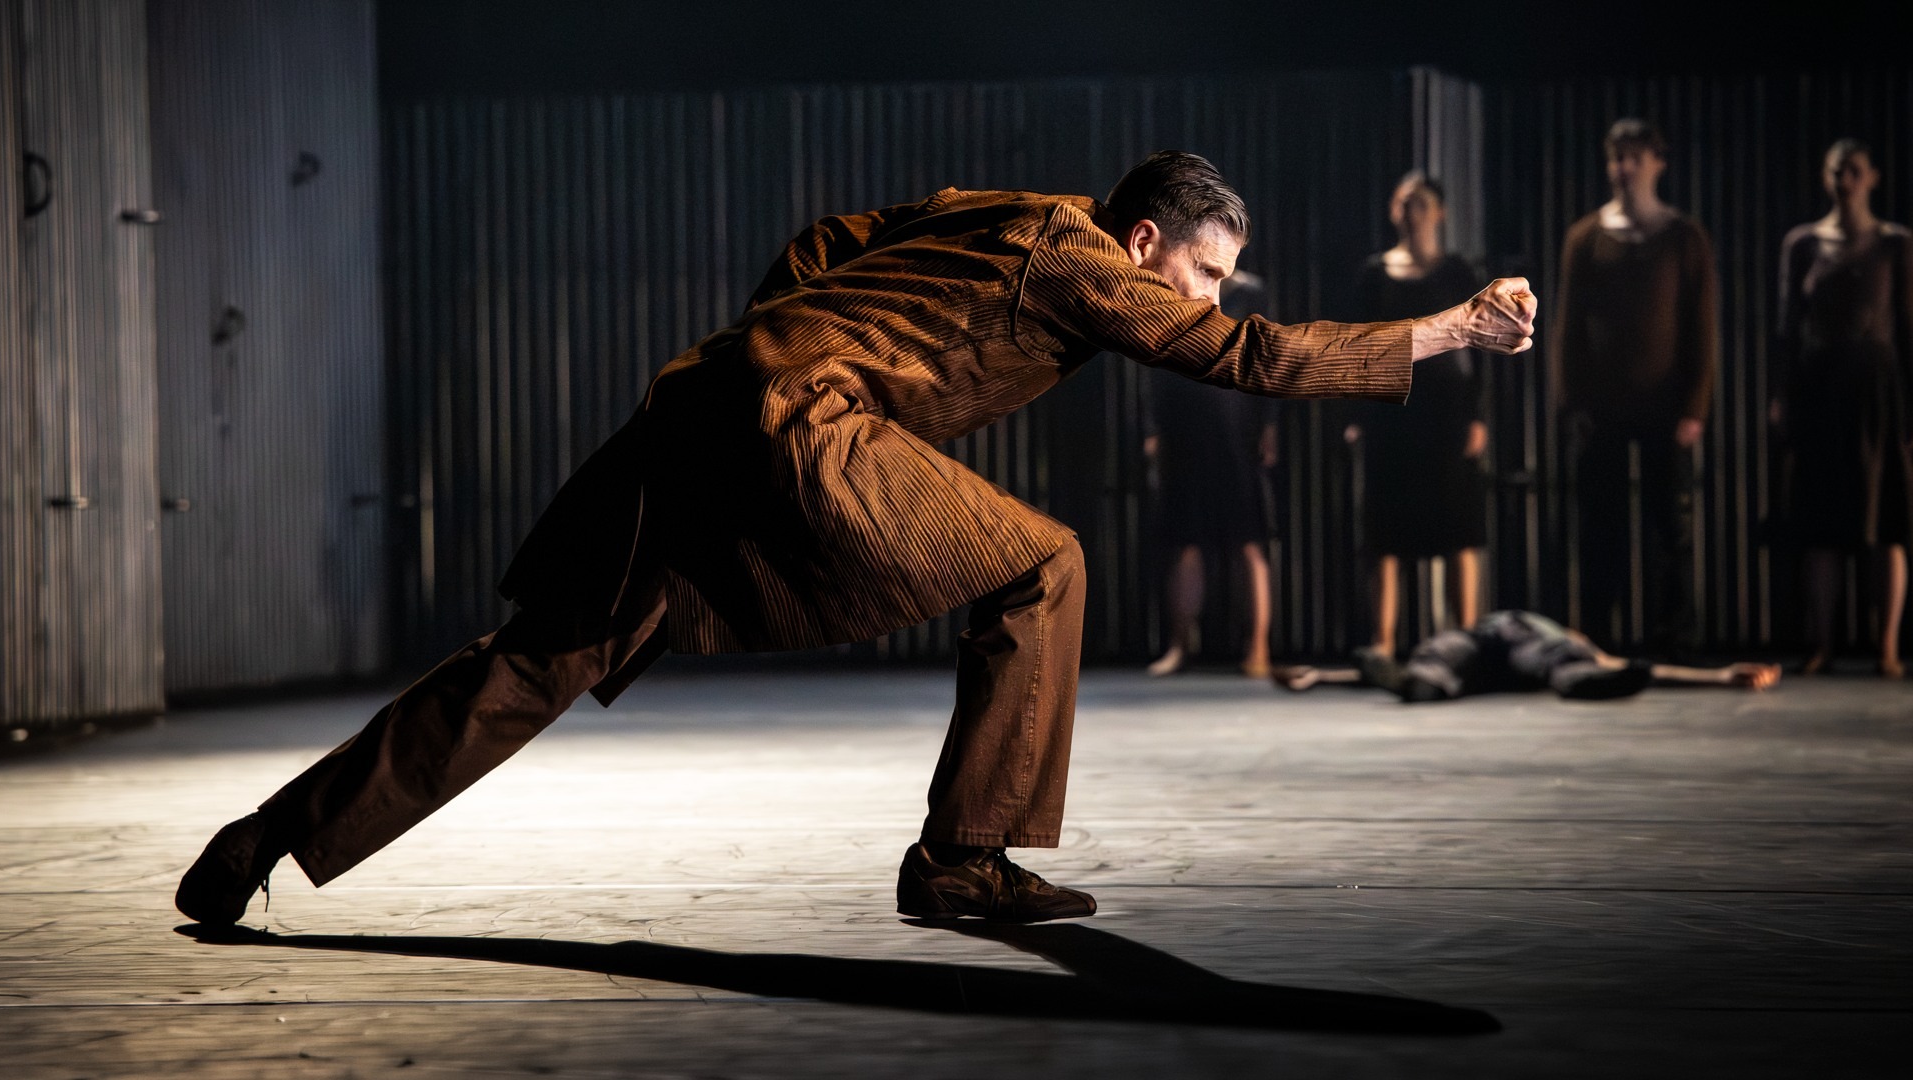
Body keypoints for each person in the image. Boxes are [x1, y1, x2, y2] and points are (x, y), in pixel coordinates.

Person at [176, 151, 1537, 928]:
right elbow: (1249, 354)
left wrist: (780, 335)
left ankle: (263, 840)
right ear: (1144, 242)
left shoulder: (1003, 210)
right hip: (790, 415)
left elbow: (833, 231)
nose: (1203, 298)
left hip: (703, 402)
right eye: (1199, 269)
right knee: (1044, 563)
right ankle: (959, 859)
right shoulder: (1090, 266)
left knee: (535, 662)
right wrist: (1448, 330)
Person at [1554, 119, 1718, 654]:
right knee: (1600, 525)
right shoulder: (1585, 237)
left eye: (1634, 157)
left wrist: (1694, 405)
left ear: (1657, 163)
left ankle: (1673, 636)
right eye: (1615, 157)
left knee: (1671, 524)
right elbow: (1567, 326)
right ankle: (1600, 635)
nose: (1623, 168)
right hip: (1602, 404)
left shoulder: (1683, 236)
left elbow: (1701, 326)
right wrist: (1571, 401)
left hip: (1665, 403)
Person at [1773, 139, 1913, 678]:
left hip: (1878, 390)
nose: (1844, 180)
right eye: (1836, 171)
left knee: (1886, 521)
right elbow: (1787, 328)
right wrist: (1782, 396)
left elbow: (1907, 326)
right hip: (1820, 388)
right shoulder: (1804, 243)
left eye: (1853, 171)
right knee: (1820, 523)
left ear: (1872, 176)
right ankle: (1822, 645)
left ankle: (1888, 648)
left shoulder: (1894, 243)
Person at [1345, 172, 1489, 658]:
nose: (1413, 212)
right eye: (1404, 202)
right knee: (1385, 529)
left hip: (1447, 414)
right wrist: (1358, 414)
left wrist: (1477, 416)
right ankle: (1382, 643)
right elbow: (1355, 346)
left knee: (1458, 525)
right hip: (1391, 413)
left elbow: (1481, 347)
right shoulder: (1373, 274)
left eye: (1422, 203)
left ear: (1440, 212)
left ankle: (1466, 641)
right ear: (1393, 211)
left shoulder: (1458, 273)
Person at [1144, 271, 1280, 678]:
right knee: (1185, 541)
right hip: (1184, 430)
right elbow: (1155, 358)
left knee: (1249, 542)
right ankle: (1179, 645)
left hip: (1237, 429)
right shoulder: (1175, 289)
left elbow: (1267, 356)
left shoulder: (1251, 292)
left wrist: (1269, 426)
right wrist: (1154, 428)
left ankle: (1258, 648)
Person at [1272, 610, 1780, 701]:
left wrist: (1716, 677)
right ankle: (1411, 684)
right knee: (1430, 668)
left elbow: (1613, 662)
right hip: (1475, 646)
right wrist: (1319, 676)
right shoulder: (1495, 623)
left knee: (1565, 667)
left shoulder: (1560, 635)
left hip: (1526, 655)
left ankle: (1580, 685)